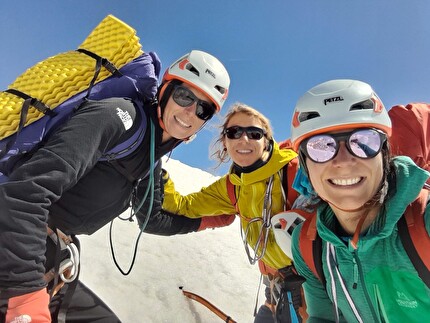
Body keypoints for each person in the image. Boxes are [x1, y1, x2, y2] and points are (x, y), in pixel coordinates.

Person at [0, 49, 231, 323]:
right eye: (184, 96)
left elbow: (151, 220)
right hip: (16, 247)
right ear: (165, 90)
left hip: (50, 257)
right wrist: (26, 293)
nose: (190, 111)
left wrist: (206, 222)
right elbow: (24, 193)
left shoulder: (151, 160)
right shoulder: (119, 116)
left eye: (203, 109)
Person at [289, 79, 430, 322]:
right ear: (305, 165)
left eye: (364, 141)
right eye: (320, 147)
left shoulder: (424, 222)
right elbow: (324, 318)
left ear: (385, 152)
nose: (343, 161)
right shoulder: (308, 244)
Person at [161, 103, 305, 322]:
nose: (243, 139)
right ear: (225, 142)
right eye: (234, 132)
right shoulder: (232, 186)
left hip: (311, 289)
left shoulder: (295, 171)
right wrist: (158, 175)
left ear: (266, 141)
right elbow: (185, 206)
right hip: (274, 285)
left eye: (254, 133)